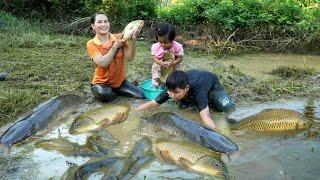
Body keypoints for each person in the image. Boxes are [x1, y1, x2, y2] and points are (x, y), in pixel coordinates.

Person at [135, 69, 234, 130]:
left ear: (186, 88)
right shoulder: (171, 88)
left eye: (176, 92)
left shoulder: (197, 90)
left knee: (228, 107)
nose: (172, 96)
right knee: (184, 111)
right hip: (188, 90)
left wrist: (216, 135)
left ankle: (207, 100)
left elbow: (205, 117)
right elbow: (154, 103)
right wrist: (135, 111)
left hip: (211, 84)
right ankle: (193, 101)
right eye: (171, 92)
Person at [87, 12, 145, 102]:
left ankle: (116, 92)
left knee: (141, 95)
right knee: (105, 94)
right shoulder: (91, 43)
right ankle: (108, 93)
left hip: (119, 83)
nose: (103, 24)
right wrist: (115, 46)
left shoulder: (121, 37)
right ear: (93, 26)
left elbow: (130, 57)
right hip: (101, 83)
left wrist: (133, 40)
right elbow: (103, 63)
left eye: (105, 21)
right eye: (99, 22)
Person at [151, 23, 184, 87]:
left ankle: (174, 83)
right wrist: (160, 62)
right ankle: (156, 83)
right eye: (160, 42)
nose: (163, 45)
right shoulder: (155, 47)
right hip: (160, 64)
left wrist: (173, 62)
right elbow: (153, 57)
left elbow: (180, 58)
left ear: (173, 39)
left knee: (176, 73)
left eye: (166, 43)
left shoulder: (177, 47)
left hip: (173, 64)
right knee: (156, 70)